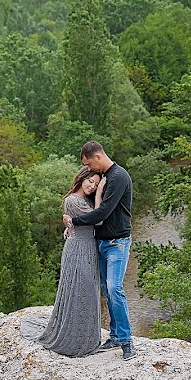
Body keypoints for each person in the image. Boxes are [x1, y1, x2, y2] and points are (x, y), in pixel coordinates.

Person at [63, 141, 136, 361]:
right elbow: (90, 206)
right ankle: (114, 335)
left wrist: (74, 221)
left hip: (117, 243)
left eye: (89, 164)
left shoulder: (119, 177)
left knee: (115, 289)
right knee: (106, 288)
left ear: (97, 156)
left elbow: (103, 212)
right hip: (102, 243)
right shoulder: (104, 178)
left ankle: (126, 341)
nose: (89, 168)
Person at [21, 167, 105, 357]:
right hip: (78, 250)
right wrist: (100, 194)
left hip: (87, 247)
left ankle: (86, 336)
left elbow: (88, 220)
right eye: (91, 181)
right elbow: (99, 220)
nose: (92, 186)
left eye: (97, 185)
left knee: (88, 291)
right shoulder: (72, 200)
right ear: (82, 178)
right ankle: (74, 338)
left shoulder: (84, 201)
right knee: (80, 289)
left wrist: (71, 224)